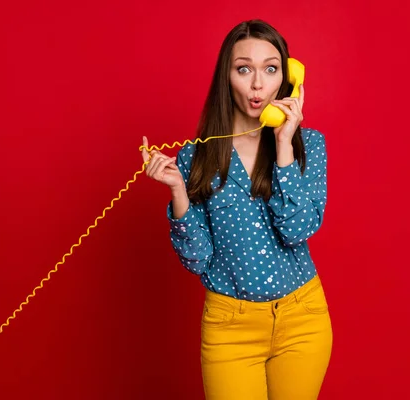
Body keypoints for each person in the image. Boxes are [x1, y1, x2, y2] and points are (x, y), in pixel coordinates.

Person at [141, 19, 332, 400]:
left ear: (288, 78)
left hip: (301, 318)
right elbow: (198, 260)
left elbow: (298, 230)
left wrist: (283, 148)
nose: (258, 84)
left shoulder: (308, 145)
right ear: (226, 77)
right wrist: (178, 191)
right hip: (230, 328)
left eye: (271, 69)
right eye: (244, 69)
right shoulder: (196, 157)